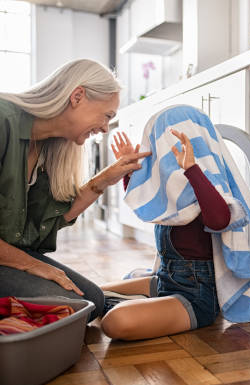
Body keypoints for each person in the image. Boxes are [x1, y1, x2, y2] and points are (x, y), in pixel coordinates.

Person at [0, 59, 151, 319]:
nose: (105, 128)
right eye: (107, 116)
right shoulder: (4, 120)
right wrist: (33, 265)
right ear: (77, 96)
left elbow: (51, 220)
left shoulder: (48, 147)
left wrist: (106, 178)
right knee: (75, 309)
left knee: (92, 300)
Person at [100, 129, 231, 340]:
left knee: (115, 322)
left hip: (195, 298)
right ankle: (138, 304)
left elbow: (220, 220)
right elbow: (143, 204)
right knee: (92, 295)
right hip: (163, 280)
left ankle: (136, 305)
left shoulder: (202, 187)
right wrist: (130, 173)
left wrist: (192, 169)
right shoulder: (165, 195)